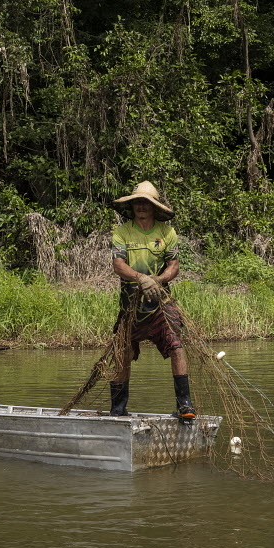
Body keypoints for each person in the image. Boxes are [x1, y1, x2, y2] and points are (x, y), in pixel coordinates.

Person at [108, 180, 195, 422]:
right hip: (131, 304)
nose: (141, 206)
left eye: (146, 203)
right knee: (122, 352)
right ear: (132, 205)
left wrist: (157, 280)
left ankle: (185, 405)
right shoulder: (122, 232)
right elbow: (118, 265)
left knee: (176, 346)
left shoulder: (167, 233)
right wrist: (140, 278)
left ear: (154, 207)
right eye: (137, 202)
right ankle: (118, 408)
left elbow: (174, 267)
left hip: (160, 302)